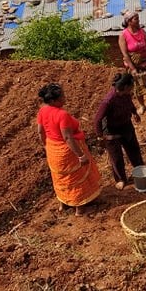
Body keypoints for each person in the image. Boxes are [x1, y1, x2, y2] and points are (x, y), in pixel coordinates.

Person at [36, 82, 102, 215]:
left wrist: (47, 146)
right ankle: (80, 208)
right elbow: (67, 138)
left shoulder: (42, 110)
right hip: (67, 153)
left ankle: (63, 204)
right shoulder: (62, 115)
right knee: (77, 178)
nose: (65, 98)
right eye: (62, 97)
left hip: (52, 150)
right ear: (54, 100)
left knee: (60, 178)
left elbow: (40, 131)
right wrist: (80, 155)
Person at [93, 72, 145, 190]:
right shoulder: (108, 101)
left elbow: (130, 103)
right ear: (126, 86)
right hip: (112, 131)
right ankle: (121, 179)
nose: (133, 88)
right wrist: (100, 136)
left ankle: (139, 168)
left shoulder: (126, 94)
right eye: (132, 86)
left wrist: (134, 113)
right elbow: (97, 120)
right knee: (116, 157)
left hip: (126, 125)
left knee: (134, 149)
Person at [118, 10, 146, 114]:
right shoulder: (123, 35)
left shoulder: (142, 32)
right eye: (136, 19)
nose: (138, 20)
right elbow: (125, 55)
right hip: (134, 64)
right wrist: (133, 69)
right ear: (129, 21)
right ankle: (142, 105)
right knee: (138, 86)